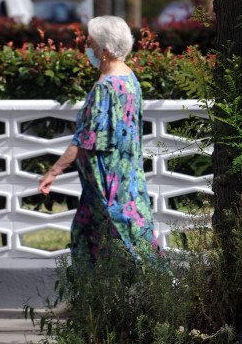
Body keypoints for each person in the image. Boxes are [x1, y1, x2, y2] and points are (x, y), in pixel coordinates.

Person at [38, 15, 156, 260]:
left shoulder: (106, 88)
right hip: (128, 179)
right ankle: (104, 297)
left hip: (108, 185)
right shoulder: (130, 78)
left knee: (126, 246)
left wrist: (54, 171)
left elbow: (85, 140)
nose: (86, 48)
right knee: (116, 243)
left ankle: (167, 293)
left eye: (90, 43)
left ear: (104, 51)